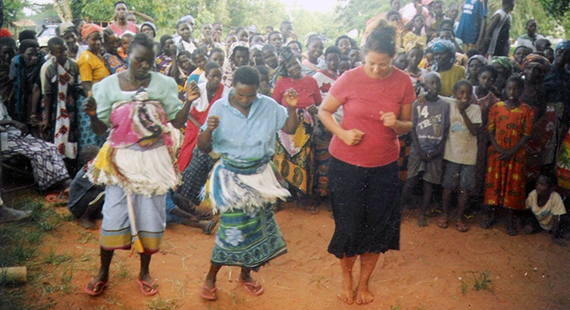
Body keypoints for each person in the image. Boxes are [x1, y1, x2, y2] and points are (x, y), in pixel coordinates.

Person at [83, 34, 197, 296]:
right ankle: (103, 272)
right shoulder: (108, 86)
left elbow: (176, 123)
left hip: (153, 163)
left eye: (150, 62)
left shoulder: (164, 84)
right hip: (121, 161)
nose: (145, 66)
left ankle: (145, 271)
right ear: (128, 56)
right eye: (139, 60)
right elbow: (101, 129)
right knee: (113, 215)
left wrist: (189, 100)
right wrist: (91, 115)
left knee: (151, 218)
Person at [318, 21, 415, 305]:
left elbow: (408, 124)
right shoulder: (348, 78)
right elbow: (325, 111)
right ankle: (347, 279)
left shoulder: (403, 81)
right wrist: (342, 133)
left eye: (383, 65)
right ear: (364, 56)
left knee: (377, 228)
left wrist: (397, 123)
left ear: (393, 59)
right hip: (345, 165)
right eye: (371, 63)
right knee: (348, 226)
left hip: (384, 167)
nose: (376, 70)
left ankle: (364, 283)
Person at [198, 66, 299, 301]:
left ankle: (245, 275)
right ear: (232, 87)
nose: (245, 99)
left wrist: (292, 108)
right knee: (230, 229)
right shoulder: (219, 107)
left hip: (261, 178)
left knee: (256, 229)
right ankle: (211, 277)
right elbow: (203, 146)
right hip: (231, 177)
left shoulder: (269, 106)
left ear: (258, 90)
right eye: (241, 94)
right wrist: (209, 130)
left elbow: (290, 128)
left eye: (251, 95)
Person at [482, 76, 534, 236]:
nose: (512, 92)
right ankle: (492, 215)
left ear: (522, 90)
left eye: (516, 88)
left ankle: (510, 220)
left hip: (516, 153)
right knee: (494, 183)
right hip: (497, 152)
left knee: (513, 185)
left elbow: (527, 134)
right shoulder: (496, 107)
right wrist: (497, 148)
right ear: (505, 88)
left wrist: (512, 151)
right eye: (509, 88)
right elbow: (490, 129)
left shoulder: (527, 110)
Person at [273, 47, 322, 213]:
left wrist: (314, 109)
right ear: (285, 70)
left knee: (305, 159)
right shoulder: (281, 83)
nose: (293, 68)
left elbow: (318, 102)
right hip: (285, 123)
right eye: (289, 67)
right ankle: (282, 195)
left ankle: (303, 197)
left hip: (306, 126)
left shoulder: (311, 80)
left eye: (295, 63)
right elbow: (275, 105)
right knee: (281, 158)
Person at [400, 72, 450, 227]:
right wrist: (420, 150)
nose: (435, 86)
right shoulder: (418, 103)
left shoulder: (445, 105)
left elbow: (446, 128)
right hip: (418, 149)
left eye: (437, 83)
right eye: (431, 83)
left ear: (441, 85)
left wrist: (438, 150)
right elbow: (413, 128)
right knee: (411, 180)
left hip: (436, 151)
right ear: (426, 85)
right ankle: (398, 211)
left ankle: (422, 214)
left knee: (429, 184)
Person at [437, 80, 481, 232]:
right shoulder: (450, 103)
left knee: (464, 189)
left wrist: (462, 111)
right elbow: (435, 96)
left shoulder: (475, 109)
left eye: (468, 93)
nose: (465, 96)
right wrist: (423, 94)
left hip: (469, 158)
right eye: (461, 92)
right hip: (452, 156)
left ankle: (460, 217)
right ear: (454, 94)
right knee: (448, 187)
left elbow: (474, 131)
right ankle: (444, 214)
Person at [178, 61, 229, 172]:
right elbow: (186, 111)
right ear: (206, 76)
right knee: (187, 153)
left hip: (213, 127)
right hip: (195, 125)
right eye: (213, 76)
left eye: (219, 76)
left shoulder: (225, 92)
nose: (216, 79)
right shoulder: (198, 89)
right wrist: (199, 125)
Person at [41, 37, 80, 164]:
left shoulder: (73, 65)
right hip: (54, 107)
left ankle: (71, 164)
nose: (64, 53)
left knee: (71, 136)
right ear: (52, 53)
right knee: (56, 135)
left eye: (65, 50)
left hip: (71, 106)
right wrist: (46, 117)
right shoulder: (48, 68)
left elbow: (78, 86)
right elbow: (46, 94)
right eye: (60, 52)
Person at [77, 24, 110, 150]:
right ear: (86, 40)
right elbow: (86, 85)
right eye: (94, 39)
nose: (98, 42)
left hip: (101, 101)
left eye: (100, 39)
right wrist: (93, 106)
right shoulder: (86, 58)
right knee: (92, 139)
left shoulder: (99, 55)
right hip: (91, 102)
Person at [472, 66, 500, 197]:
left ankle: (473, 196)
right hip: (461, 134)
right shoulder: (468, 90)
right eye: (484, 77)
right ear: (478, 77)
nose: (486, 81)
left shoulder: (493, 100)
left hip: (480, 137)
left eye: (490, 79)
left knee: (477, 166)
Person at [523, 170, 568, 246]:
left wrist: (554, 237)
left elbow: (557, 218)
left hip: (552, 225)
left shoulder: (555, 197)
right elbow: (526, 210)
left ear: (551, 188)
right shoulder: (533, 195)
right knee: (528, 228)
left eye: (542, 184)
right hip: (538, 222)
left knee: (567, 235)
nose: (538, 186)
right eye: (537, 183)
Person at [68, 145, 104, 230]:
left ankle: (94, 214)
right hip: (76, 207)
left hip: (85, 200)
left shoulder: (93, 170)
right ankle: (84, 217)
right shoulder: (84, 175)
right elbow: (102, 186)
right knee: (102, 192)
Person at [11, 39, 44, 128]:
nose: (34, 58)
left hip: (39, 102)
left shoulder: (43, 65)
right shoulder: (16, 63)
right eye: (30, 54)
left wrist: (33, 113)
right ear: (21, 54)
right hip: (21, 101)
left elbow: (37, 89)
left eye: (37, 55)